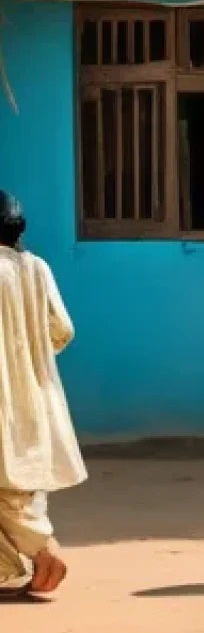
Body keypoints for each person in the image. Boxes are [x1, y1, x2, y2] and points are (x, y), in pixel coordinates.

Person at [0, 192, 86, 598]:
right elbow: (62, 330)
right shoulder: (37, 267)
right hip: (34, 395)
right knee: (24, 485)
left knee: (8, 489)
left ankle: (44, 552)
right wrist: (28, 354)